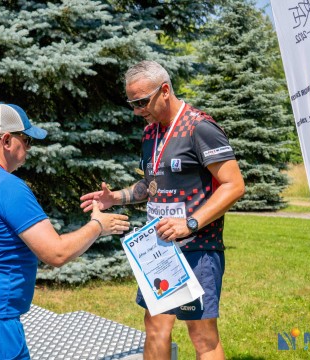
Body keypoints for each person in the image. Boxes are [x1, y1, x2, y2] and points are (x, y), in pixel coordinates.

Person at [0, 103, 130, 359]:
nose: (29, 148)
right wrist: (98, 226)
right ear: (7, 140)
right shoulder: (9, 188)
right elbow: (56, 253)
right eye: (26, 140)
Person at [80, 60, 245, 360]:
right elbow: (150, 186)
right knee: (155, 327)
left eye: (142, 102)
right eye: (132, 103)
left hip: (197, 247)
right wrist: (115, 197)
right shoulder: (150, 134)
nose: (136, 110)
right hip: (159, 249)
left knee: (202, 336)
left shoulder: (200, 127)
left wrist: (190, 224)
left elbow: (234, 185)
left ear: (165, 90)